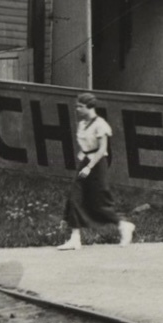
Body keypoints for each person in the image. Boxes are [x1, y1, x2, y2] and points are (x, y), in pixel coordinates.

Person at [58, 95, 133, 250]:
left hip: (97, 164)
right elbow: (85, 147)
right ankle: (75, 238)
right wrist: (83, 161)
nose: (77, 109)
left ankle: (124, 225)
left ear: (89, 107)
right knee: (75, 196)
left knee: (99, 201)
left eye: (80, 106)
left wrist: (89, 167)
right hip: (85, 162)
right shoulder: (82, 124)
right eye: (77, 106)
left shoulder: (100, 124)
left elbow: (102, 149)